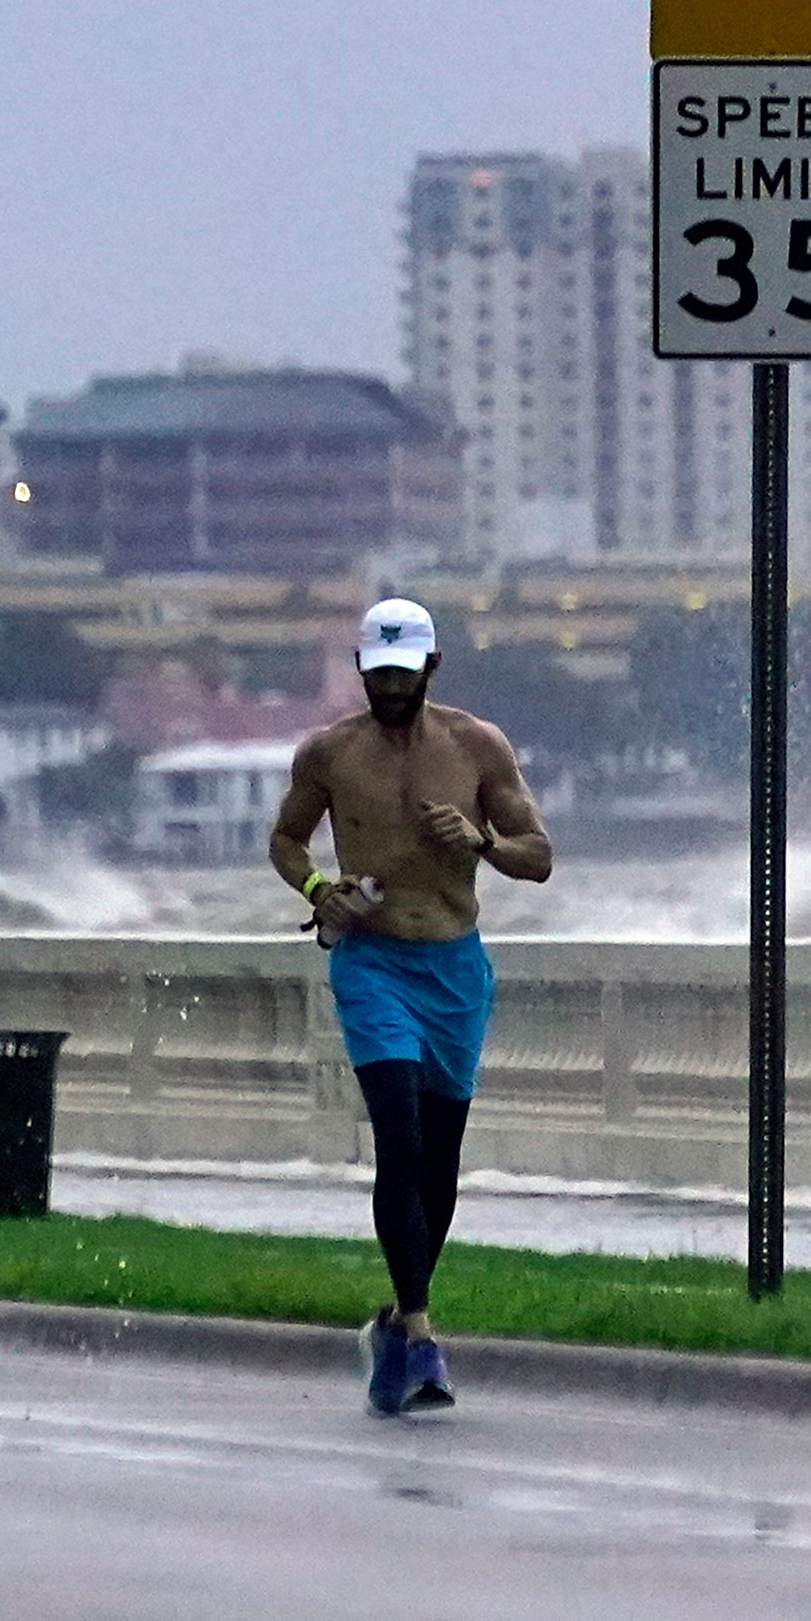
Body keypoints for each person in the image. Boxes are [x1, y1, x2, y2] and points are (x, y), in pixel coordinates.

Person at [269, 598, 552, 1417]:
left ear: (431, 669)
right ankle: (424, 1336)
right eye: (377, 672)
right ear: (361, 669)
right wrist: (325, 890)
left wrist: (481, 843)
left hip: (454, 970)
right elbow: (286, 841)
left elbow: (538, 857)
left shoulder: (477, 746)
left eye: (404, 672)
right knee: (398, 1135)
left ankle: (392, 1322)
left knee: (438, 1163)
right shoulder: (329, 754)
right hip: (372, 965)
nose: (390, 687)